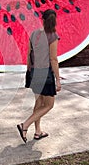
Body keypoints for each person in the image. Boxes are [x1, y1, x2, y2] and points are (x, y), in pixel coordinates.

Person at [17, 9, 61, 143]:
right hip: (45, 74)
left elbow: (28, 54)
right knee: (49, 105)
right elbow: (53, 59)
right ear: (54, 21)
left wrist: (29, 71)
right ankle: (25, 125)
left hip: (34, 72)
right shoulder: (53, 36)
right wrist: (58, 80)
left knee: (39, 102)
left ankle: (38, 132)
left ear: (42, 19)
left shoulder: (34, 34)